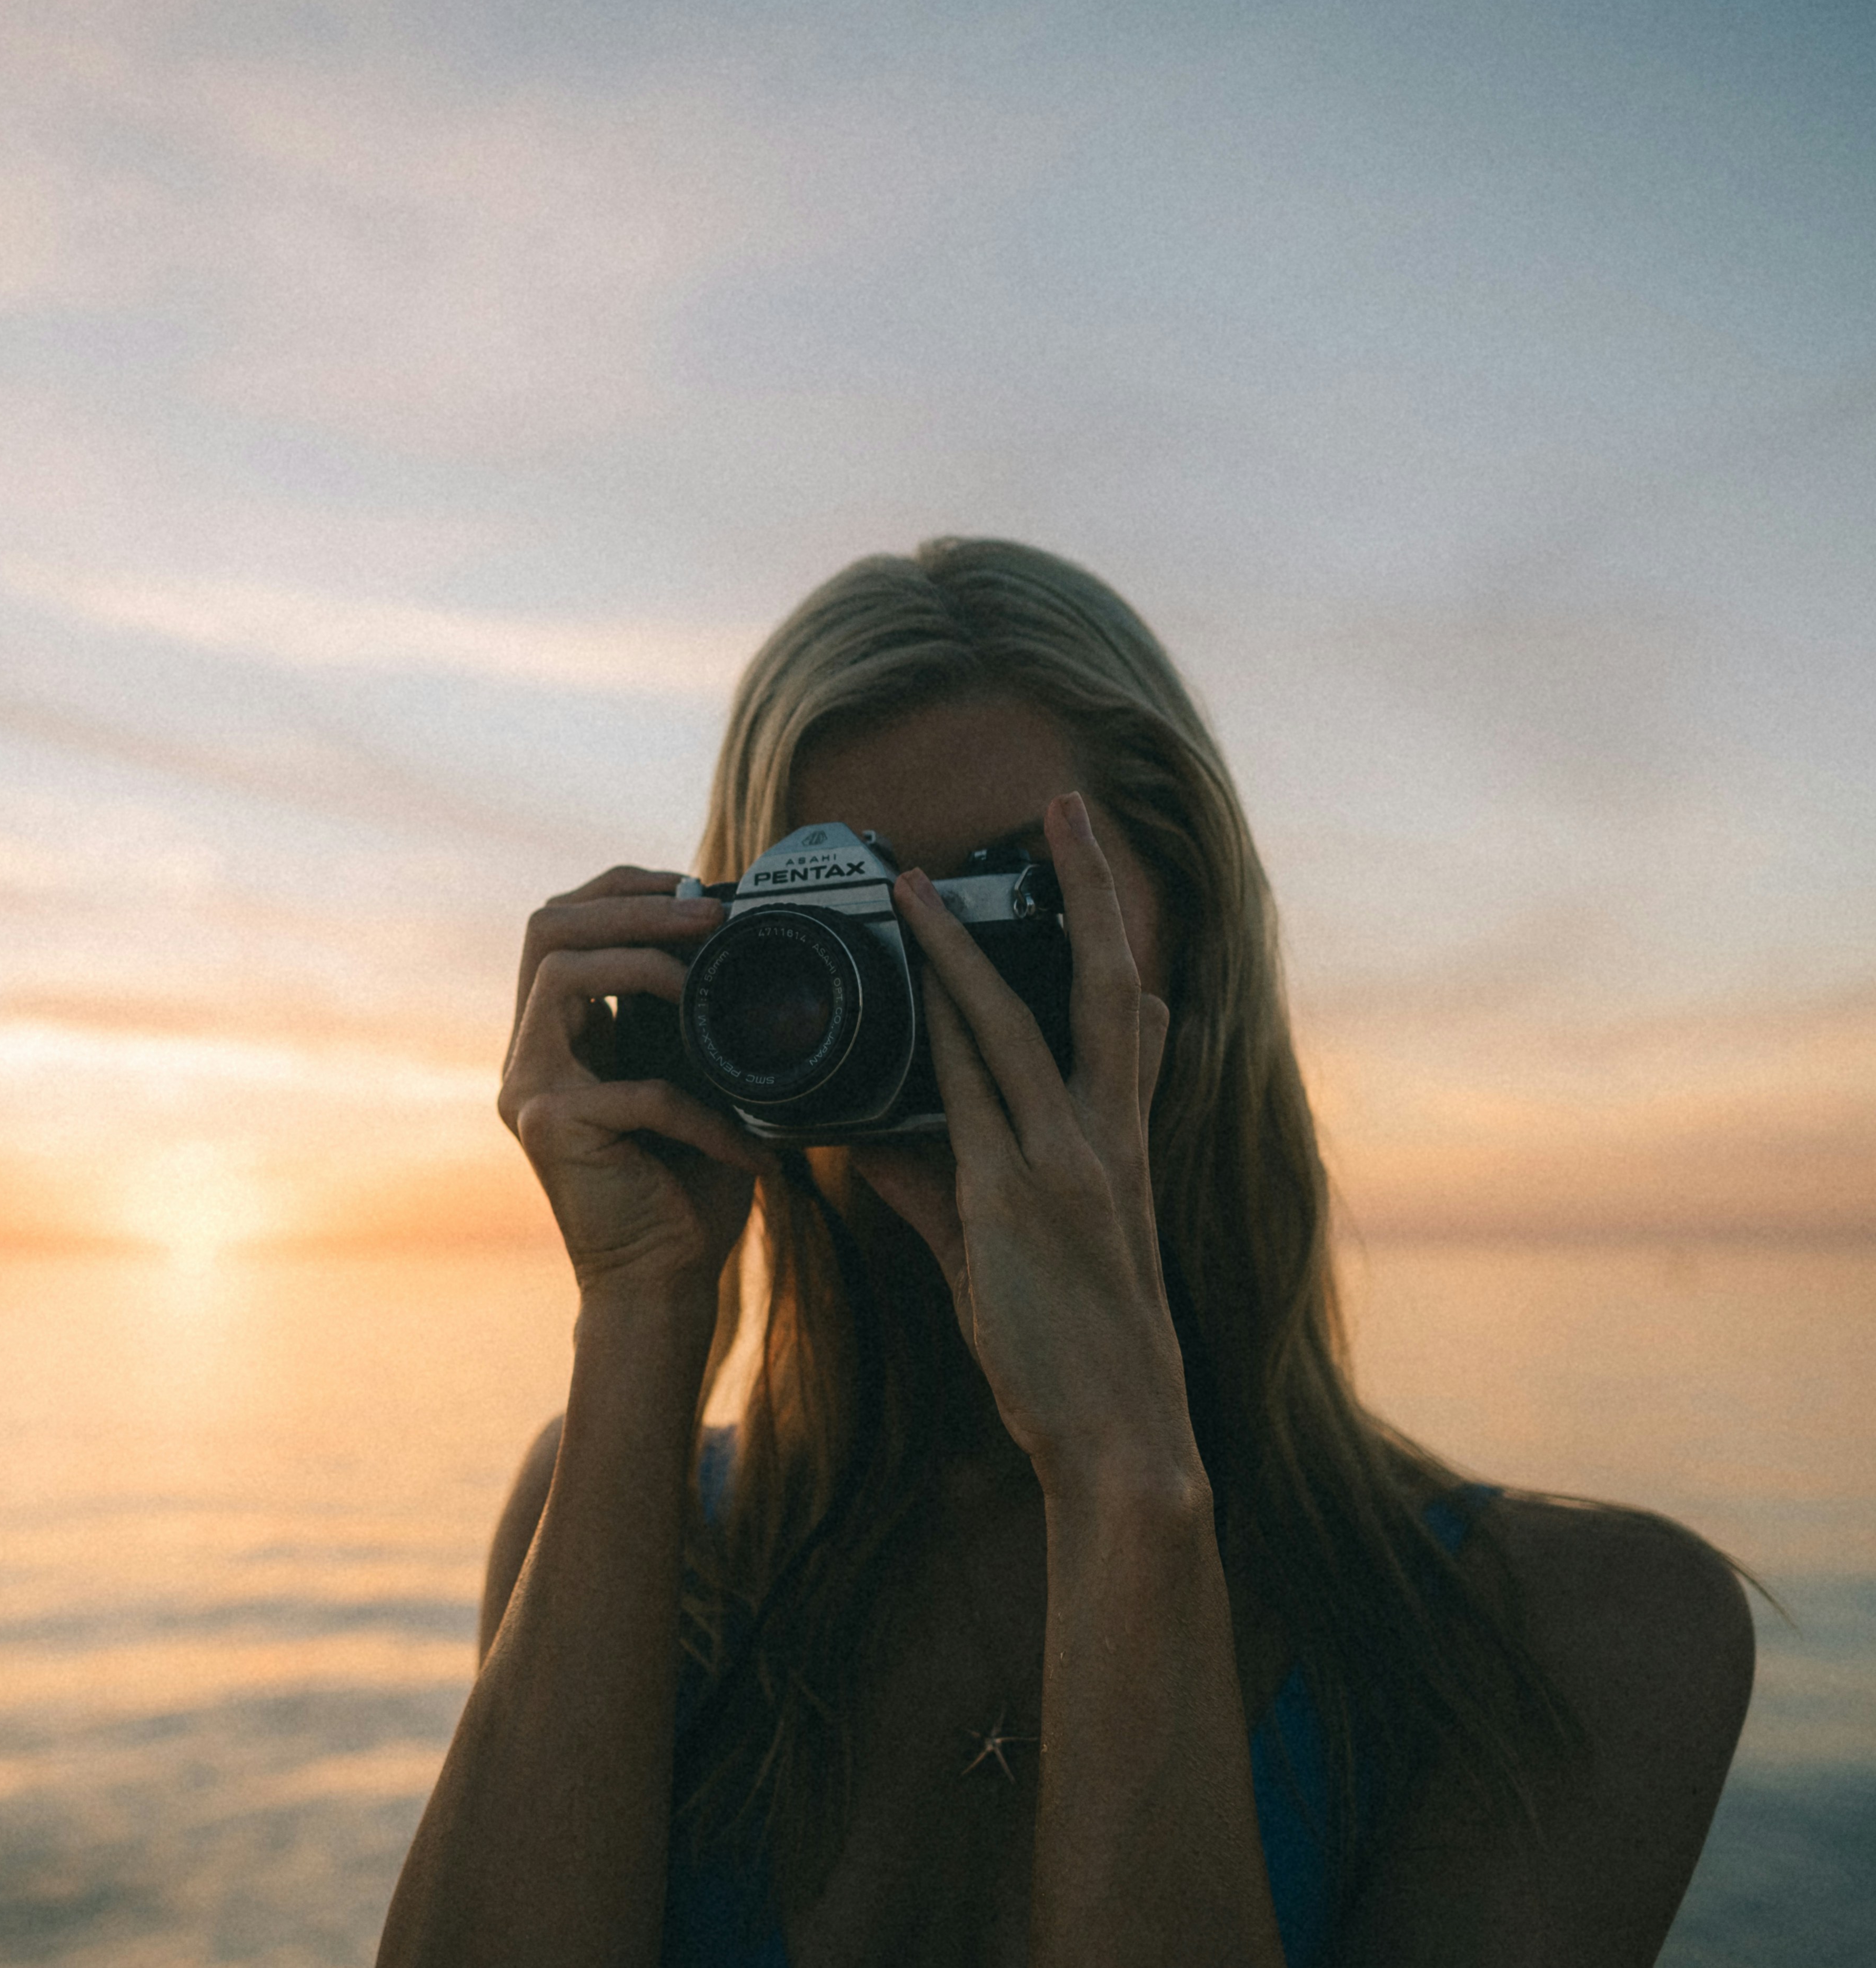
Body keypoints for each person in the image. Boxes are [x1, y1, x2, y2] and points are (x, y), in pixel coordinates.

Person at [377, 539, 1753, 1967]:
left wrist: (1120, 1468)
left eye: (997, 903)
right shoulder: (621, 1523)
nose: (921, 994)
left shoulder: (1583, 1638)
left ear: (1194, 951)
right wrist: (641, 1320)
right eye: (846, 922)